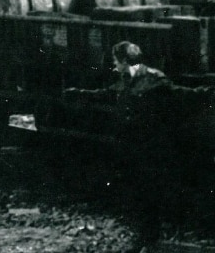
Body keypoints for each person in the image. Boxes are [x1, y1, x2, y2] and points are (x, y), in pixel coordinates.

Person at [67, 41, 174, 242]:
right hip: (131, 145)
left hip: (149, 146)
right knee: (134, 189)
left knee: (148, 190)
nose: (114, 65)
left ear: (125, 61)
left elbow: (172, 103)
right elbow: (107, 94)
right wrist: (79, 93)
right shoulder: (126, 79)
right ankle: (142, 236)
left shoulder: (155, 79)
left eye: (115, 61)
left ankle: (149, 237)